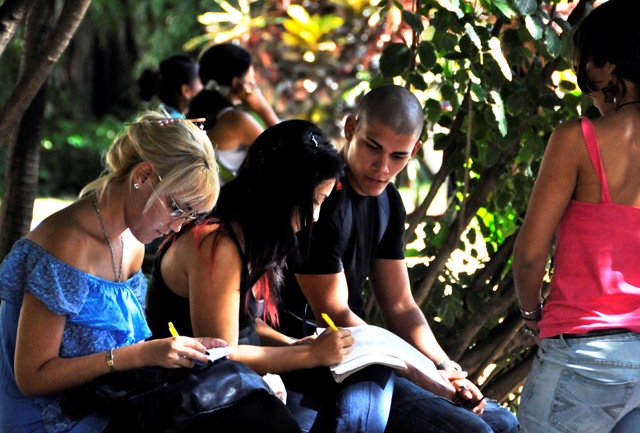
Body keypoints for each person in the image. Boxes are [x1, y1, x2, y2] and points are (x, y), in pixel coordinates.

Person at [0, 111, 301, 433]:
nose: (177, 225)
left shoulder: (131, 242)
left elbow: (128, 345)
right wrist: (142, 354)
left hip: (110, 399)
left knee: (246, 398)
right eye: (176, 207)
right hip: (55, 419)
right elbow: (32, 377)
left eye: (189, 215)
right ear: (143, 176)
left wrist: (180, 350)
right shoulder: (66, 244)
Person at [278, 84, 520, 433]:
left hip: (370, 355)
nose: (382, 166)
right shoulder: (324, 199)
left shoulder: (389, 202)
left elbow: (401, 305)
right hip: (317, 355)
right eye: (372, 148)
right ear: (351, 129)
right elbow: (336, 315)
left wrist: (443, 366)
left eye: (398, 156)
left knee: (503, 422)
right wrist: (425, 375)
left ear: (415, 151)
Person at [145, 120, 395, 433]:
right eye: (314, 201)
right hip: (188, 392)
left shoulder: (253, 235)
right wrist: (308, 354)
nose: (315, 217)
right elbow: (221, 353)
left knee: (372, 374)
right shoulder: (218, 242)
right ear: (282, 192)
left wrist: (295, 344)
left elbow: (248, 324)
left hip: (237, 380)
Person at [513, 1, 640, 432]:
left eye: (589, 71)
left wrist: (532, 315)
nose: (589, 89)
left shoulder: (577, 139)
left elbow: (530, 255)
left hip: (584, 361)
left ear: (610, 64)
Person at [188, 42, 280, 182]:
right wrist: (264, 109)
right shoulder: (236, 121)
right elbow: (288, 153)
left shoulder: (206, 114)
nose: (255, 85)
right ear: (238, 83)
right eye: (251, 79)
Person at [138, 55, 203, 118]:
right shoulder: (178, 125)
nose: (205, 87)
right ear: (186, 91)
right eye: (202, 82)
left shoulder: (161, 120)